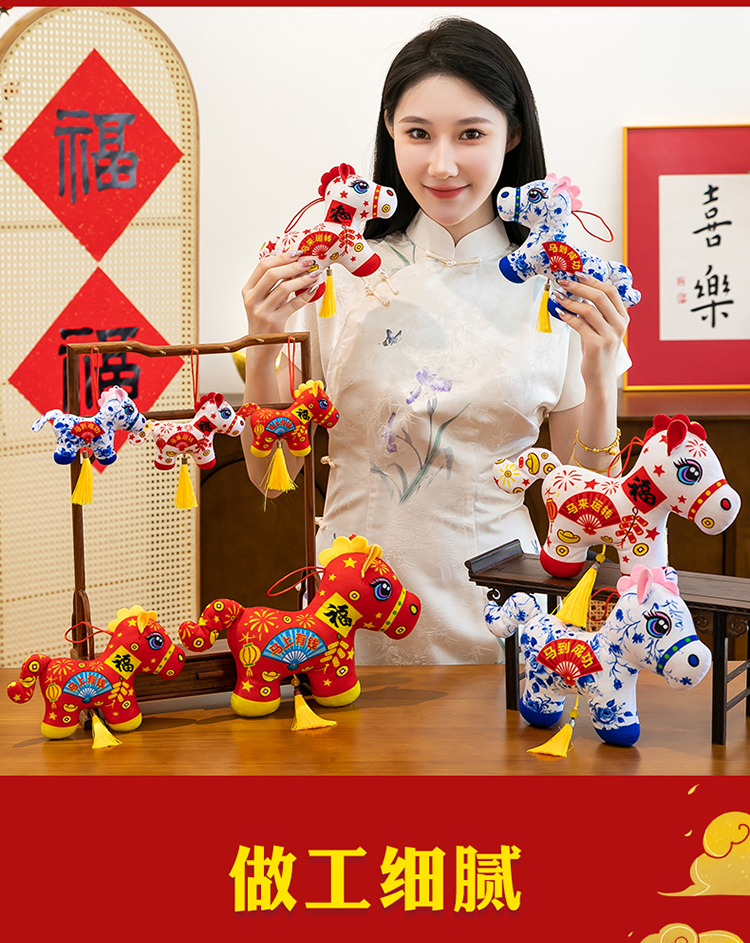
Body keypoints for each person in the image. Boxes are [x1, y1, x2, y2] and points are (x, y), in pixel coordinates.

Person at [240, 17, 631, 665]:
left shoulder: (560, 287)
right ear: (389, 131)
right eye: (418, 134)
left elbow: (586, 512)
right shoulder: (337, 277)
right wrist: (262, 342)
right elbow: (271, 479)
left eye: (470, 134)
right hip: (345, 622)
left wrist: (600, 375)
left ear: (513, 135)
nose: (442, 164)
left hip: (502, 626)